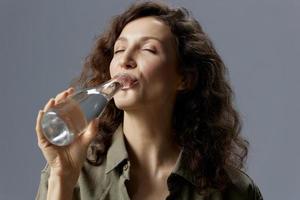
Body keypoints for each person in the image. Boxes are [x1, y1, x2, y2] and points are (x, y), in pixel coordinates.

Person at [35, 1, 263, 200]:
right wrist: (62, 179)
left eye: (148, 49)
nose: (125, 59)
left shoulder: (233, 191)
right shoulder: (70, 172)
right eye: (119, 49)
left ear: (184, 78)